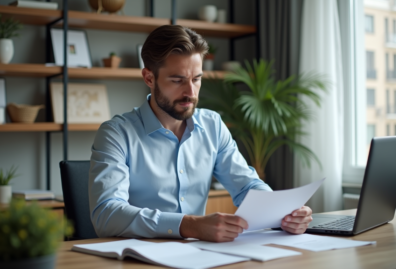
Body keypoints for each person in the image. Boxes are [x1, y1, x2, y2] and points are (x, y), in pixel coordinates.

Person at [89, 25, 313, 242]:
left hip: (200, 257)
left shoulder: (212, 124)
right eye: (177, 80)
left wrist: (283, 214)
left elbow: (246, 186)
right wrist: (189, 225)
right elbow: (106, 214)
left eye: (196, 79)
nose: (190, 92)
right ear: (149, 78)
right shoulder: (116, 134)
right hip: (137, 259)